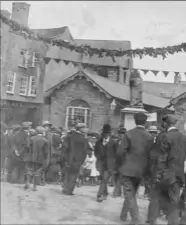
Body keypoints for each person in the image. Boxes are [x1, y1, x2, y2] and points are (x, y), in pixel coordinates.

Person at [147, 114, 186, 225]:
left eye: (163, 123)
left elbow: (161, 158)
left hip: (165, 174)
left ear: (166, 123)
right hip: (178, 175)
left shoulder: (165, 136)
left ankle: (151, 220)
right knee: (174, 202)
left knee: (155, 197)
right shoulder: (183, 137)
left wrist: (157, 175)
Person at [117, 113, 153, 224]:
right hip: (141, 170)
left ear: (134, 121)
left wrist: (119, 165)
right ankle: (123, 215)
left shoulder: (128, 134)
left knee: (129, 195)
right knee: (131, 194)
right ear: (145, 122)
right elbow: (151, 155)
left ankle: (135, 219)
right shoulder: (150, 137)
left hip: (128, 169)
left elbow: (120, 152)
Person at [61, 122, 89, 195]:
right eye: (85, 128)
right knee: (74, 175)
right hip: (78, 160)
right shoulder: (84, 139)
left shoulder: (69, 136)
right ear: (81, 129)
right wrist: (82, 161)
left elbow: (64, 148)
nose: (86, 129)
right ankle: (69, 190)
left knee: (67, 174)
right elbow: (85, 152)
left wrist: (65, 158)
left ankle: (65, 188)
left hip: (68, 159)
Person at [95, 124, 118, 202]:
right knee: (103, 180)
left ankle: (99, 194)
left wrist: (115, 164)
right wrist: (99, 157)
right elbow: (96, 152)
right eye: (104, 134)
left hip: (110, 165)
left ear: (109, 134)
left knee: (104, 179)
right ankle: (105, 194)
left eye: (107, 134)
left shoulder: (114, 143)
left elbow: (117, 154)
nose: (105, 135)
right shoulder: (98, 142)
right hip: (101, 164)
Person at [24, 126, 49, 191]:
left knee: (29, 170)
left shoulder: (32, 138)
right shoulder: (45, 140)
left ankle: (28, 182)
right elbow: (46, 152)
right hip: (40, 159)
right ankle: (34, 186)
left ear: (36, 131)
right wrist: (45, 158)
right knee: (37, 172)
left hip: (31, 157)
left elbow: (27, 147)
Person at [112, 125, 126, 197]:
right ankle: (118, 191)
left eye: (122, 133)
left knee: (121, 177)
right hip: (116, 162)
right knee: (116, 177)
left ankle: (117, 192)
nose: (120, 135)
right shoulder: (116, 142)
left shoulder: (127, 143)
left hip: (124, 162)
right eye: (119, 133)